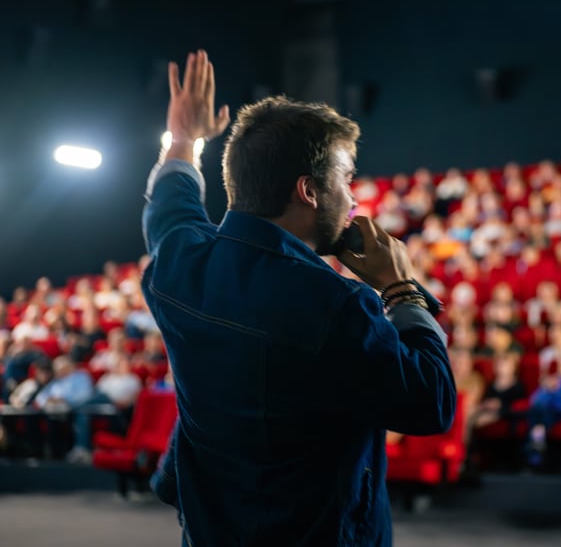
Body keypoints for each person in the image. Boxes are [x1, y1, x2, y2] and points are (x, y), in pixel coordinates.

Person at [141, 50, 455, 545]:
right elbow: (430, 403)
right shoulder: (335, 306)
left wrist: (183, 140)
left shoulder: (179, 265)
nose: (353, 199)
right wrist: (401, 289)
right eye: (346, 179)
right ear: (308, 190)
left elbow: (169, 207)